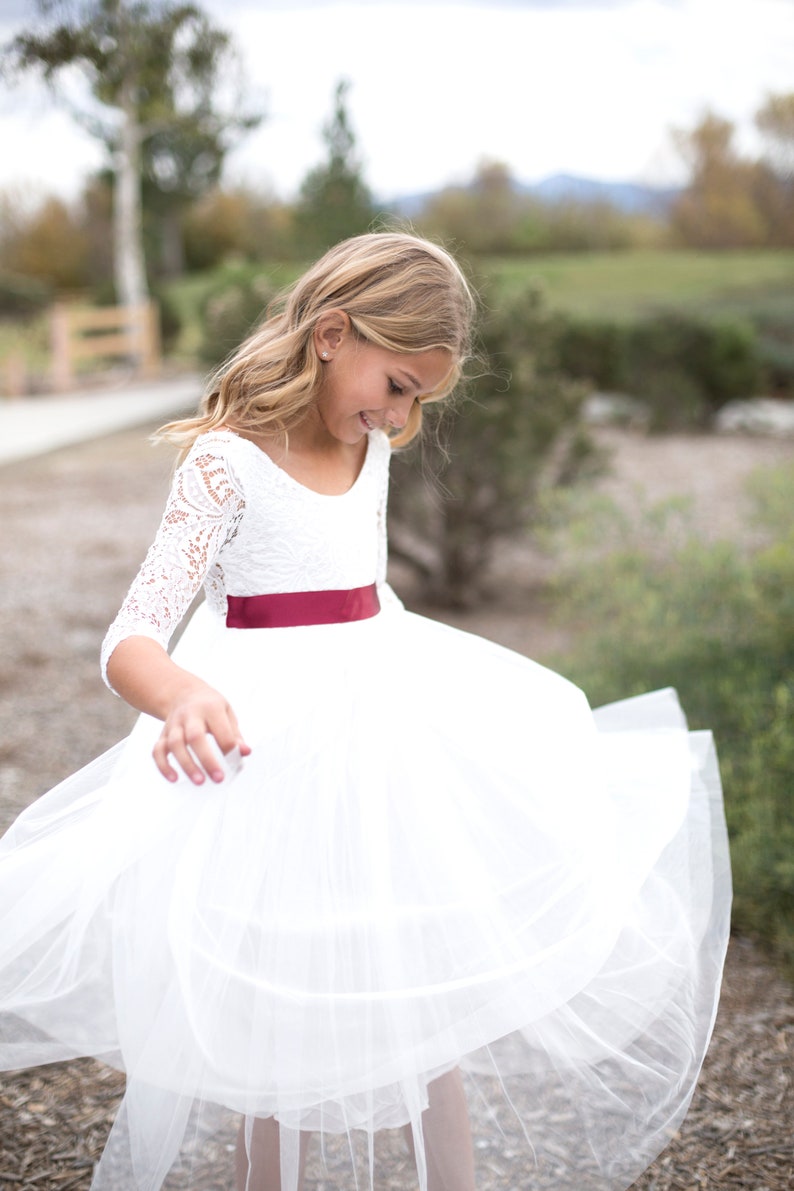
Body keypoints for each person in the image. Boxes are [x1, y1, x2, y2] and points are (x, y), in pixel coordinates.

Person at [0, 232, 730, 1191]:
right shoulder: (226, 463)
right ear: (333, 334)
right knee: (280, 1032)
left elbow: (363, 597)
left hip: (383, 744)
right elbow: (129, 636)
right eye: (395, 384)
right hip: (263, 758)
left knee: (428, 997)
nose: (399, 414)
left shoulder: (371, 447)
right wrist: (180, 695)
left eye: (418, 398)